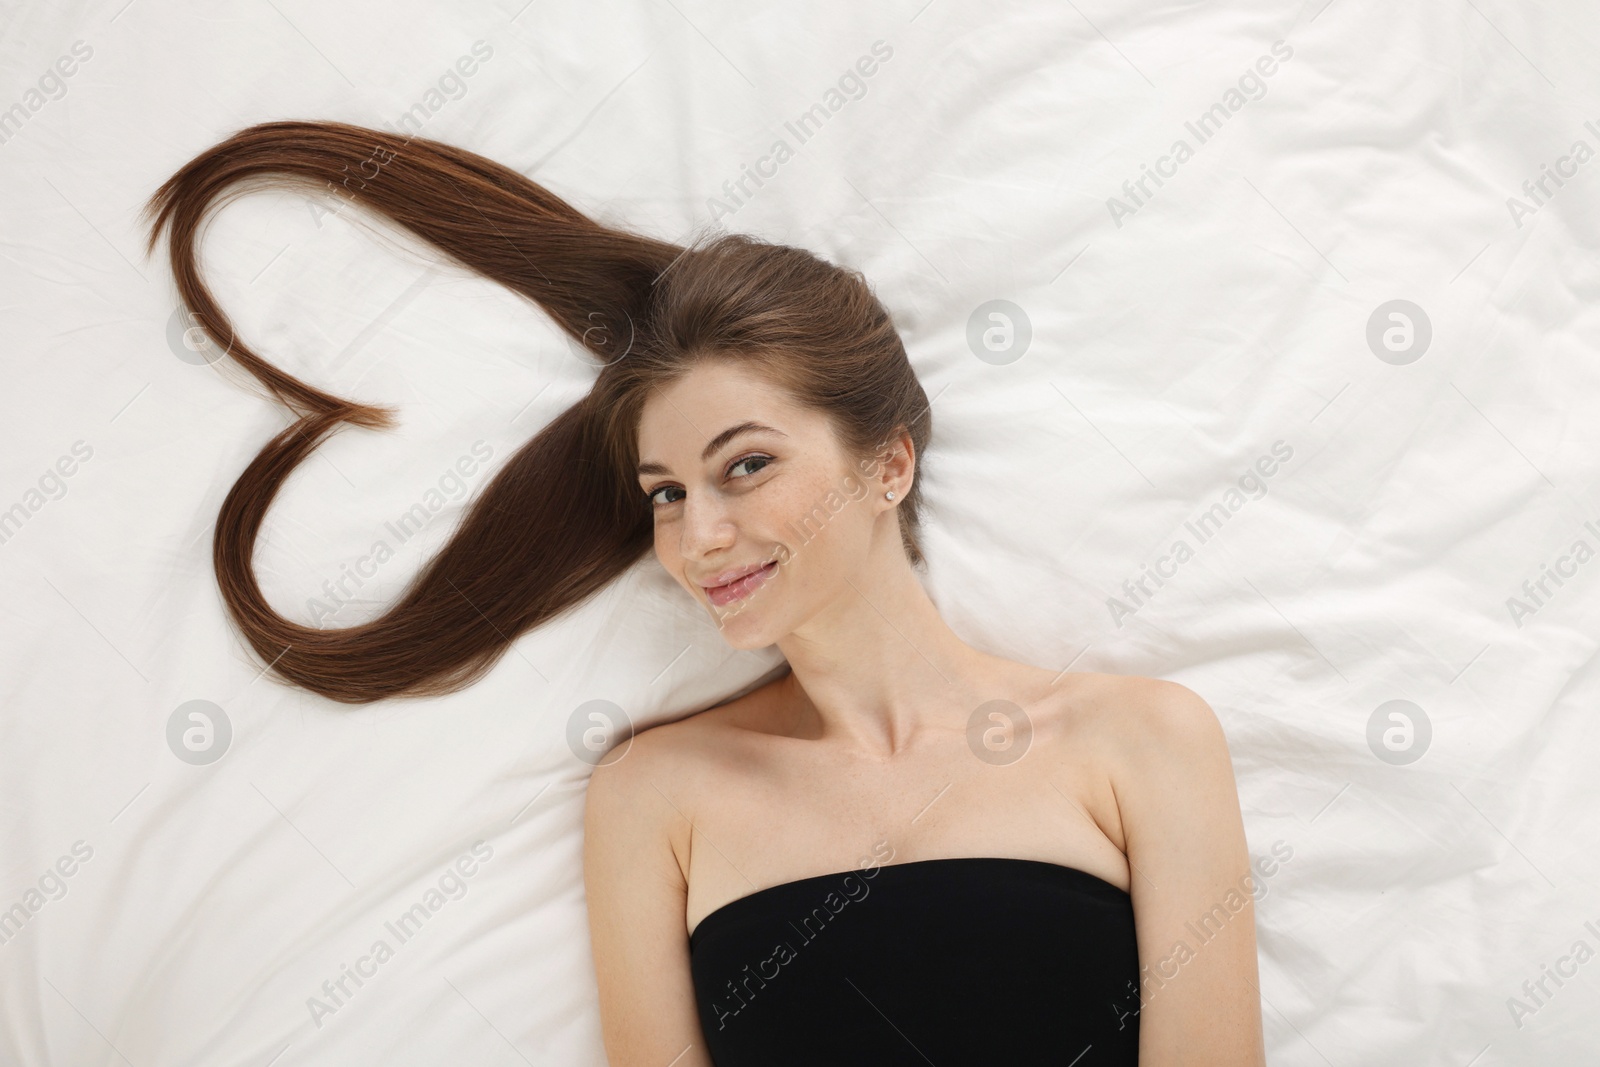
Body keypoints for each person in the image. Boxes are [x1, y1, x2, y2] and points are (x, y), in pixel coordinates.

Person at [145, 120, 1266, 1066]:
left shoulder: (1141, 740)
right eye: (666, 491)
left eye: (745, 465)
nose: (697, 535)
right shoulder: (654, 795)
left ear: (888, 463)